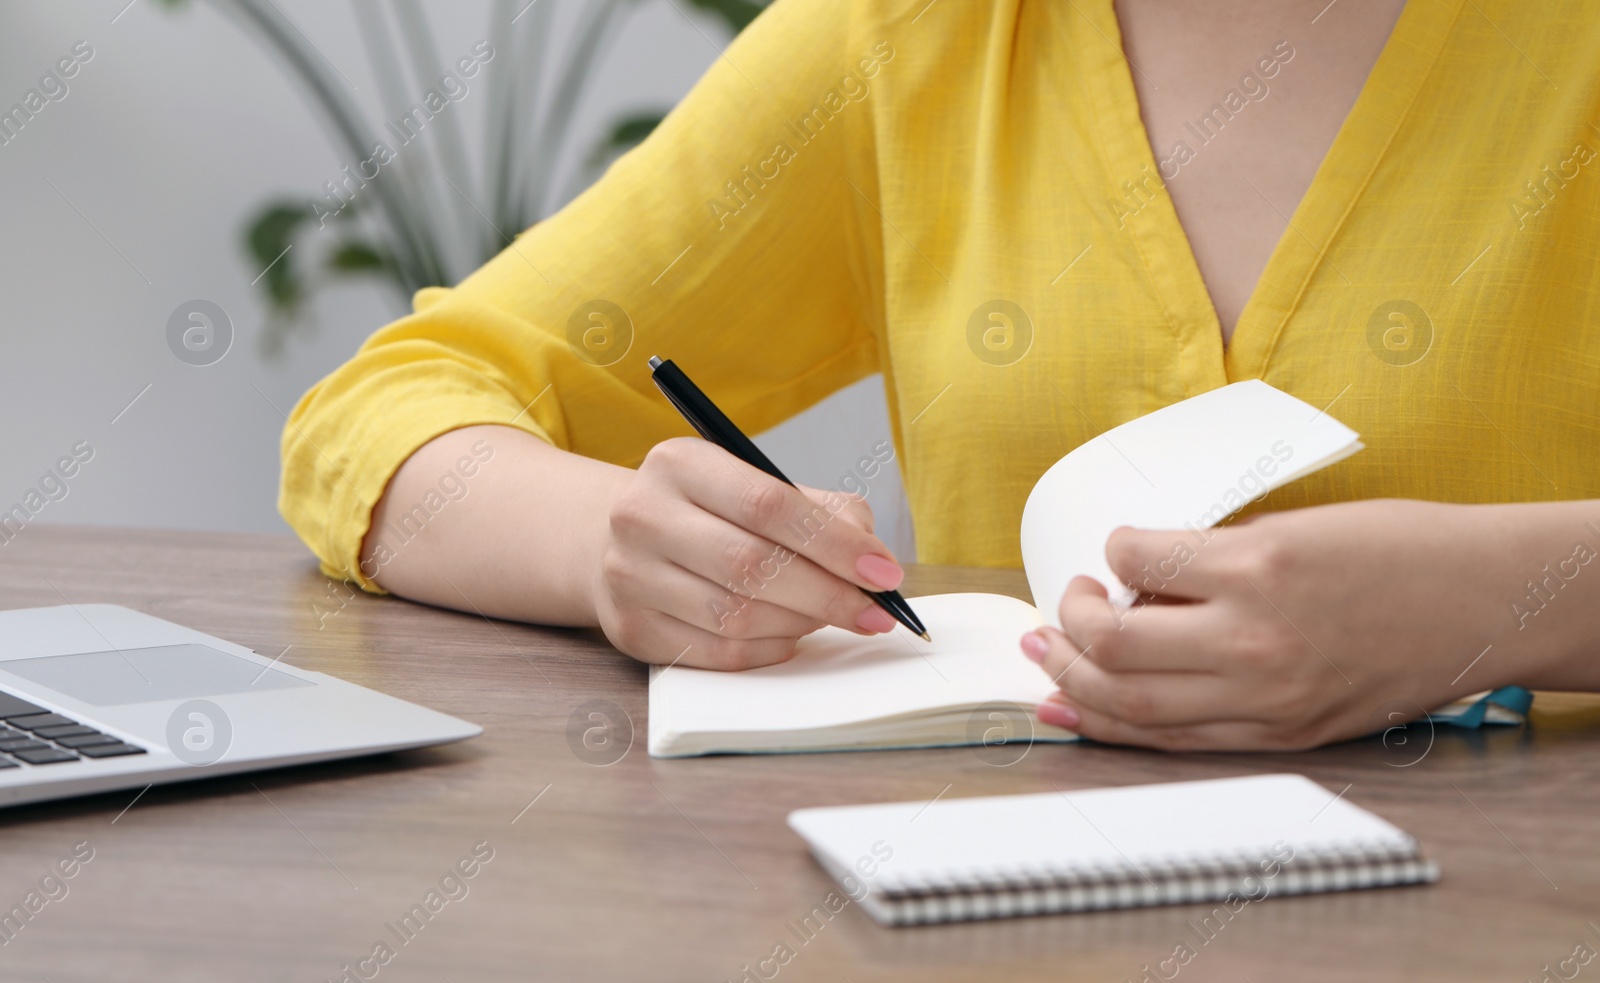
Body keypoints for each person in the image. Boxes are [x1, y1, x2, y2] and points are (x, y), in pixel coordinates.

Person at [281, 0, 1600, 750]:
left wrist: (1501, 603)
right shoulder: (915, 36)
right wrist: (613, 545)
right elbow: (387, 410)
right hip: (997, 940)